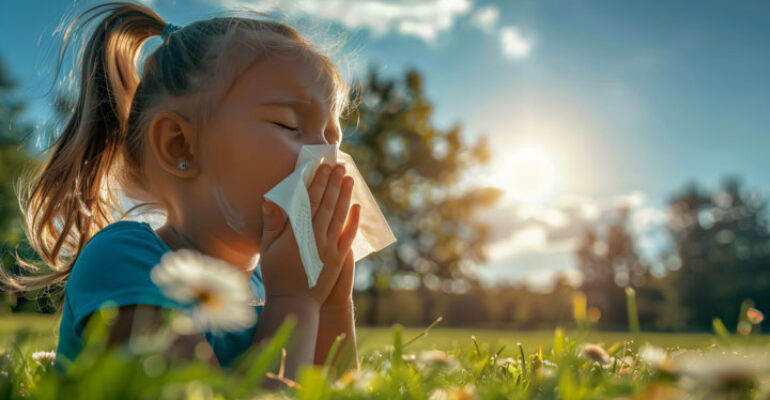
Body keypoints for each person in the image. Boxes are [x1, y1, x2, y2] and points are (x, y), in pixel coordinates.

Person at [2, 2, 361, 379]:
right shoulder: (125, 261)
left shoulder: (269, 285)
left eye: (332, 138)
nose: (326, 157)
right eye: (288, 125)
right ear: (179, 145)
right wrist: (295, 302)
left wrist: (334, 303)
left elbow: (336, 391)